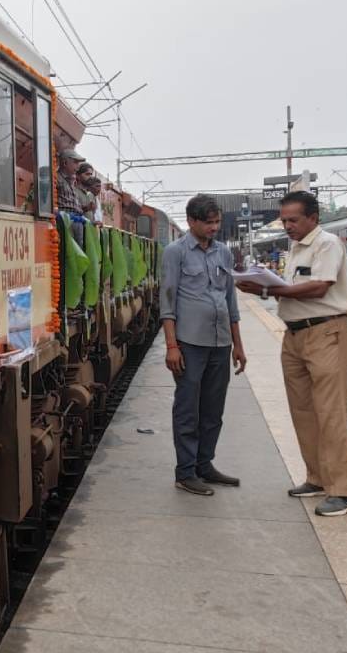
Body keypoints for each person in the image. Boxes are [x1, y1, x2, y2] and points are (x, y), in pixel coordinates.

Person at [237, 191, 347, 516]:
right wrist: (270, 286)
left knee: (330, 411)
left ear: (313, 219)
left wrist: (266, 289)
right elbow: (293, 289)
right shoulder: (294, 248)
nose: (288, 226)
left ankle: (344, 491)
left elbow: (320, 286)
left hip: (325, 332)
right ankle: (317, 477)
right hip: (294, 335)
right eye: (285, 220)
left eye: (293, 220)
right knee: (302, 410)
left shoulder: (327, 244)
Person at [160, 194, 247, 495]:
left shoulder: (223, 253)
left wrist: (238, 344)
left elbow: (230, 301)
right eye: (208, 223)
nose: (214, 228)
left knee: (213, 409)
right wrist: (172, 346)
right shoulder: (176, 252)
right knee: (187, 409)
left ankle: (204, 465)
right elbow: (167, 301)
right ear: (191, 221)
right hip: (189, 343)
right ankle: (185, 472)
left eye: (217, 222)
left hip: (220, 343)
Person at [56, 149, 84, 215]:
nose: (78, 167)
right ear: (65, 163)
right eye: (76, 162)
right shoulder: (56, 178)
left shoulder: (71, 182)